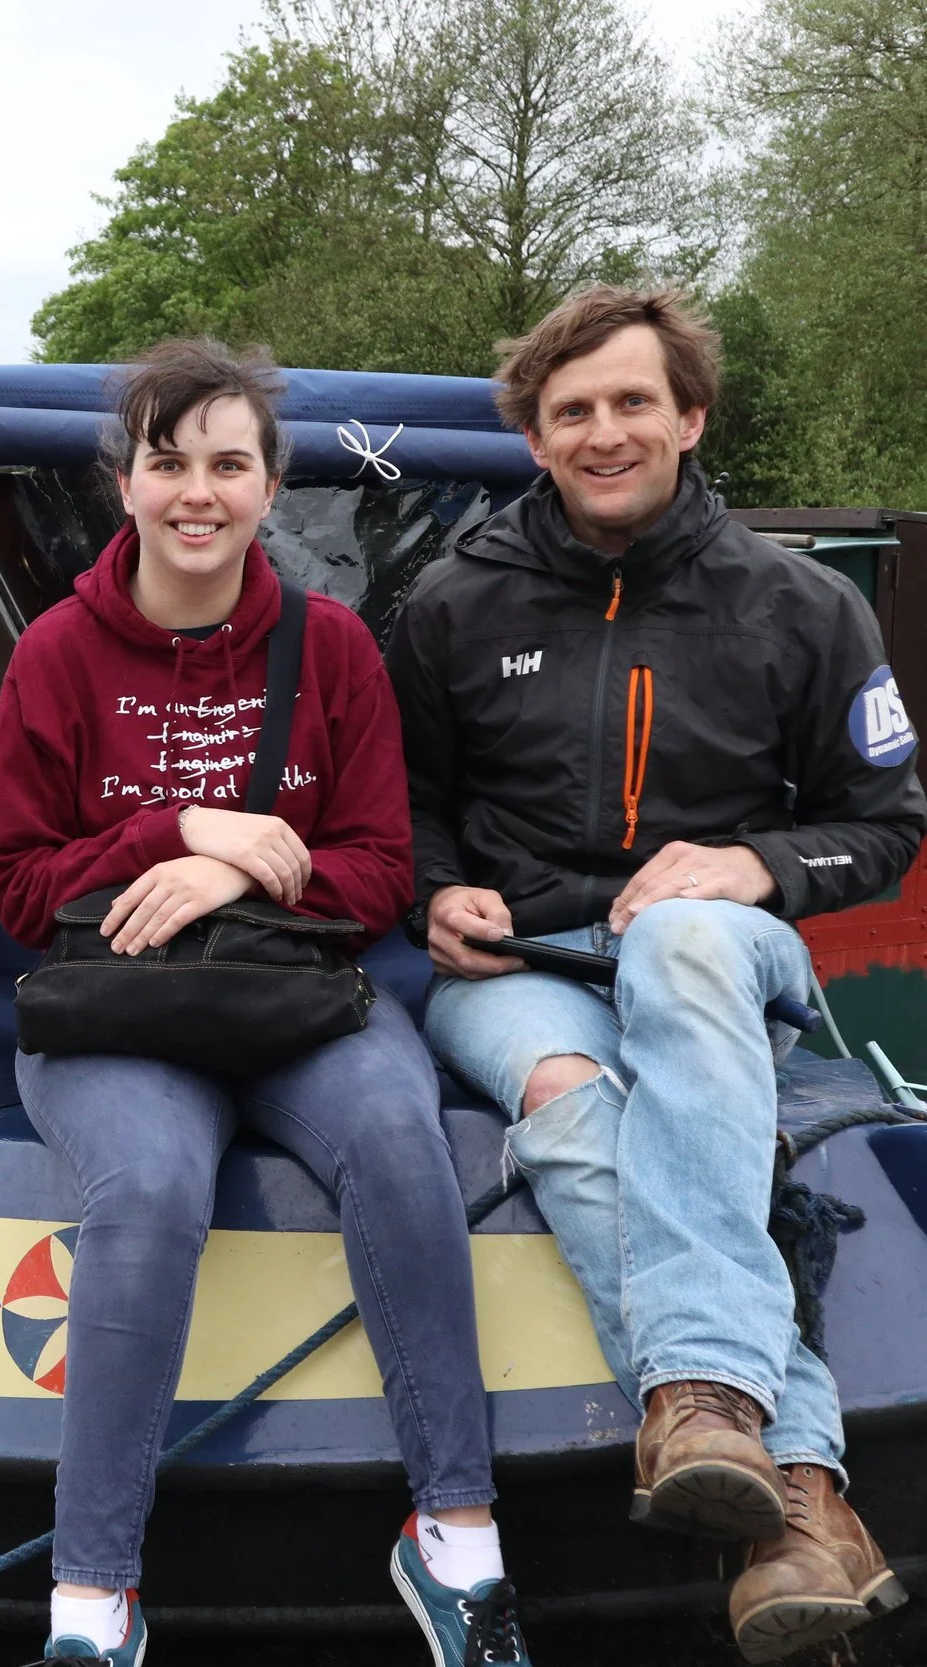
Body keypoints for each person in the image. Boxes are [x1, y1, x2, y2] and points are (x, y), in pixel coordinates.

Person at [389, 284, 924, 1663]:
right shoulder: (450, 605)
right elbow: (410, 808)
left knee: (685, 941)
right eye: (573, 410)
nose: (605, 429)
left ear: (690, 416)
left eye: (633, 401)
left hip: (715, 942)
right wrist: (433, 886)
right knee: (569, 1096)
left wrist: (754, 870)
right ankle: (794, 1497)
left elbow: (886, 824)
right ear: (535, 437)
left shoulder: (800, 607)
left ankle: (696, 1389)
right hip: (523, 958)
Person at [0, 340, 531, 1667]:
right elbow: (13, 884)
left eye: (229, 463)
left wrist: (236, 866)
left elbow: (382, 869)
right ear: (124, 483)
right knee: (152, 1190)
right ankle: (92, 1603)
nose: (199, 491)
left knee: (403, 1139)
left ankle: (458, 1544)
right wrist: (177, 827)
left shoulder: (331, 647)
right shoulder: (56, 655)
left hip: (293, 1002)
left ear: (270, 482)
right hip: (117, 1018)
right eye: (169, 461)